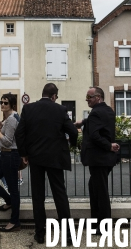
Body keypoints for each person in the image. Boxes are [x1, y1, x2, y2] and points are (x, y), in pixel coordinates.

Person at [15, 83, 78, 244]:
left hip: (35, 157)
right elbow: (72, 131)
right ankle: (68, 235)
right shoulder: (60, 110)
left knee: (38, 196)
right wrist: (72, 144)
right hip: (55, 157)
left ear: (43, 93)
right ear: (54, 96)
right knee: (60, 195)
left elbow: (19, 133)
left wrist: (24, 154)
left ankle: (40, 233)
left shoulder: (28, 109)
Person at [76, 87, 119, 227]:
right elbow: (99, 124)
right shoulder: (108, 111)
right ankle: (96, 222)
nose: (86, 100)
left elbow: (94, 135)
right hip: (106, 159)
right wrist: (83, 122)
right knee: (94, 187)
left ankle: (103, 225)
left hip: (98, 158)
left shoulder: (95, 113)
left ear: (98, 97)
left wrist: (108, 146)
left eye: (89, 97)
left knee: (100, 192)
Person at [0, 93, 22, 231]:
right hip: (5, 155)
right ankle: (9, 201)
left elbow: (7, 141)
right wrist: (1, 126)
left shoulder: (12, 119)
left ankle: (15, 222)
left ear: (12, 104)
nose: (2, 104)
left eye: (5, 103)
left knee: (13, 189)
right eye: (1, 102)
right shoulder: (8, 119)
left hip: (11, 155)